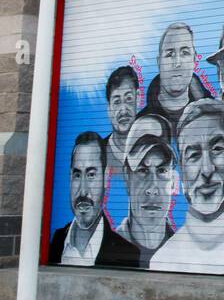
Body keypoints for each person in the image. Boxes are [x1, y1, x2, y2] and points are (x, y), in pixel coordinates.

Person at [149, 99, 224, 275]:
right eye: (193, 155)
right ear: (181, 168)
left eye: (217, 149)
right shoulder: (163, 261)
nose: (207, 169)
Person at [48, 132, 138, 268]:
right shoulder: (56, 241)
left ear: (106, 178)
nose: (83, 191)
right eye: (77, 175)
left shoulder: (126, 252)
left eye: (91, 175)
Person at [115, 114, 178, 266]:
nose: (152, 188)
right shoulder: (108, 250)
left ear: (173, 181)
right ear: (126, 177)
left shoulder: (183, 251)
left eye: (162, 170)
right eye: (143, 170)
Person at [137, 22, 213, 134]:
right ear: (159, 62)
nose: (177, 63)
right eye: (170, 54)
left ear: (194, 60)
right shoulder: (139, 126)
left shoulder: (214, 116)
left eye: (185, 53)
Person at [103, 65, 139, 171]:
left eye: (128, 99)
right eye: (117, 102)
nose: (123, 110)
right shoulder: (98, 153)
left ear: (138, 98)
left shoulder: (152, 147)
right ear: (109, 108)